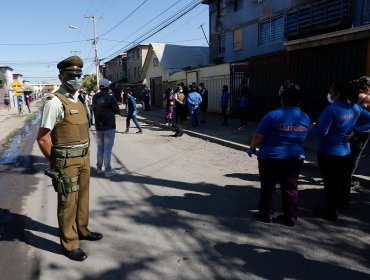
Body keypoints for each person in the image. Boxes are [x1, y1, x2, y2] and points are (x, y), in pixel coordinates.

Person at [36, 56, 102, 262]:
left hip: (83, 158)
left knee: (83, 198)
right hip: (66, 162)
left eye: (78, 75)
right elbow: (43, 138)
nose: (75, 78)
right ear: (61, 77)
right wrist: (54, 162)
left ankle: (82, 230)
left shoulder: (79, 99)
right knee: (68, 203)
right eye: (70, 75)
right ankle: (70, 243)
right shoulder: (55, 102)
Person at [248, 87, 311, 226]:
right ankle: (290, 217)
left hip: (270, 158)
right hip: (295, 158)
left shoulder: (273, 115)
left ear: (282, 99)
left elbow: (258, 135)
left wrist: (252, 147)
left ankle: (266, 214)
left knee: (268, 187)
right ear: (299, 101)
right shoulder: (305, 117)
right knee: (290, 187)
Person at [313, 80, 370, 221]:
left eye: (331, 91)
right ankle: (342, 203)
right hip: (345, 151)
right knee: (341, 179)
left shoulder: (332, 109)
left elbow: (321, 133)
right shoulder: (355, 108)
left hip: (328, 152)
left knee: (330, 182)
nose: (330, 93)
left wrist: (314, 126)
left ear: (338, 93)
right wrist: (356, 131)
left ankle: (330, 211)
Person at [92, 78, 121, 177]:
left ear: (100, 86)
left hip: (98, 126)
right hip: (109, 126)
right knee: (107, 149)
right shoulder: (110, 97)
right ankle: (108, 171)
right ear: (107, 87)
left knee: (100, 148)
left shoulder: (94, 97)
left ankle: (99, 168)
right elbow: (118, 111)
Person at [349, 76, 370, 187]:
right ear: (367, 87)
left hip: (349, 128)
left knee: (347, 154)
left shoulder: (352, 96)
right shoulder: (367, 98)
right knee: (355, 156)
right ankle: (348, 179)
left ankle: (343, 177)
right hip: (360, 132)